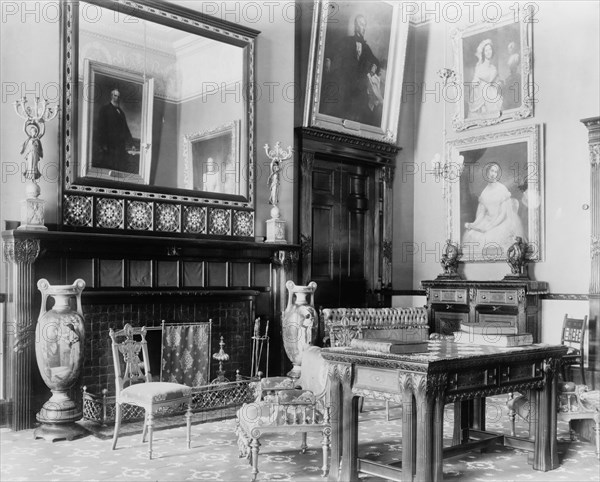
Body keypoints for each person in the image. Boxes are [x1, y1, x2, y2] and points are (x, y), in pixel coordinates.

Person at [321, 14, 381, 125]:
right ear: (356, 26)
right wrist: (328, 60)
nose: (364, 28)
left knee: (364, 115)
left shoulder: (366, 47)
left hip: (359, 86)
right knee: (339, 112)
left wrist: (373, 68)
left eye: (365, 25)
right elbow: (331, 49)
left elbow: (376, 61)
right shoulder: (346, 41)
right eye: (361, 24)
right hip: (345, 82)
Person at [463, 162, 526, 255]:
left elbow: (503, 214)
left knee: (490, 237)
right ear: (487, 172)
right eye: (492, 171)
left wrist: (490, 226)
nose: (493, 174)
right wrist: (474, 224)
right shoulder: (484, 192)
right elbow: (482, 214)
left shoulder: (501, 189)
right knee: (471, 234)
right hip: (488, 220)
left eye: (496, 172)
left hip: (502, 221)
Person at [94, 88, 134, 171]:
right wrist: (102, 144)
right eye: (115, 96)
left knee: (119, 168)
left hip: (120, 146)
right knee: (107, 168)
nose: (117, 98)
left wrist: (132, 143)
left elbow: (125, 128)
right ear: (111, 96)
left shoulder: (121, 112)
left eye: (119, 96)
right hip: (109, 145)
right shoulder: (104, 109)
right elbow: (101, 128)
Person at [468, 38, 503, 116]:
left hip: (492, 93)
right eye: (486, 50)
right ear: (483, 53)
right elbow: (475, 81)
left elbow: (497, 82)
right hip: (482, 95)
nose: (488, 52)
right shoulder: (479, 67)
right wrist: (475, 82)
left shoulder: (494, 68)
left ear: (492, 51)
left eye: (490, 49)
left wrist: (499, 83)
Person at [503, 41, 521, 111]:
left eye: (511, 47)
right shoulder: (511, 57)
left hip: (514, 76)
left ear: (514, 48)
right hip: (511, 76)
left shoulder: (516, 56)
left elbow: (515, 67)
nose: (509, 49)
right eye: (508, 48)